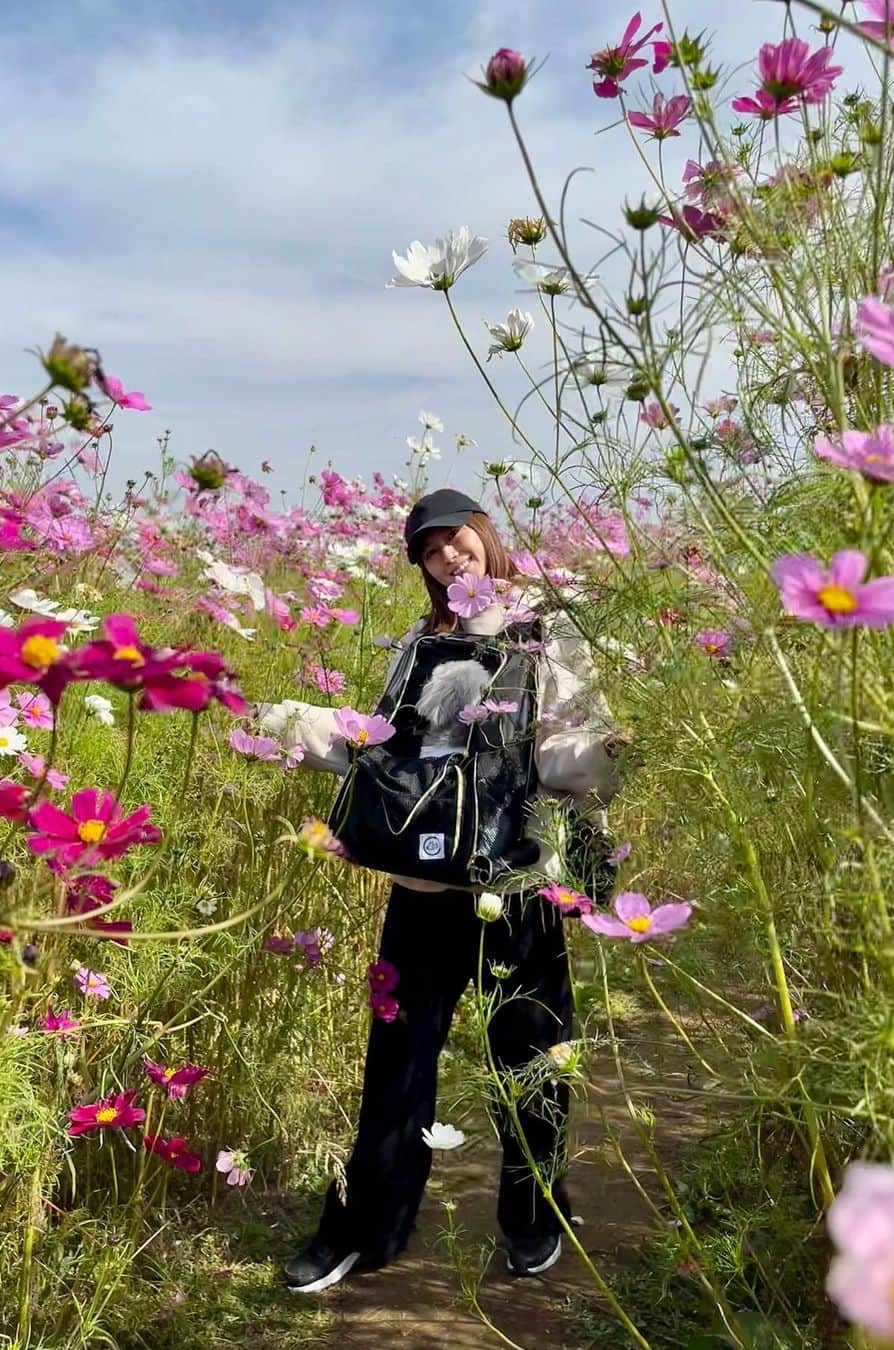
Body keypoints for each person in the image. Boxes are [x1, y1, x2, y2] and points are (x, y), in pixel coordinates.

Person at [258, 488, 623, 1294]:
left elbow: (563, 746)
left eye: (455, 540)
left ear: (483, 537)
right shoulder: (424, 641)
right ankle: (362, 1232)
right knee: (396, 1065)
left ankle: (535, 1218)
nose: (447, 557)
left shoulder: (543, 623)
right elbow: (384, 749)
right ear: (423, 568)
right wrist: (288, 724)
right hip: (423, 889)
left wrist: (605, 752)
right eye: (429, 551)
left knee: (529, 1060)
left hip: (515, 884)